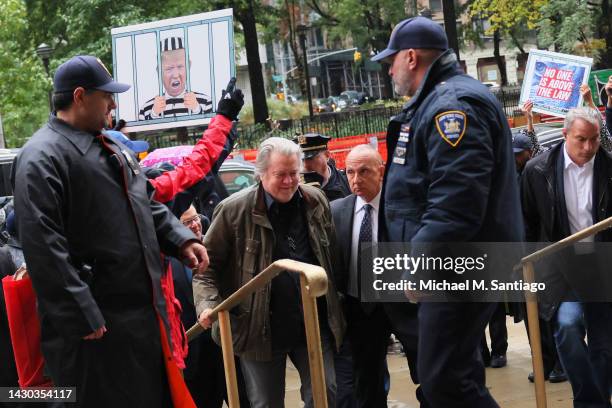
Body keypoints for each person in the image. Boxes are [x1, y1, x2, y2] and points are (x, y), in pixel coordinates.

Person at [11, 55, 209, 407]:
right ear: (80, 96)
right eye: (107, 95)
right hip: (92, 331)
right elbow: (44, 245)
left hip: (139, 323)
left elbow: (145, 203)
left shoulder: (111, 145)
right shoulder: (41, 157)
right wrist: (81, 313)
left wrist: (181, 240)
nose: (113, 104)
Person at [372, 16, 523, 406]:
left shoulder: (450, 107)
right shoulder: (438, 100)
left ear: (410, 57)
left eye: (390, 61)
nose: (389, 69)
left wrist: (421, 263)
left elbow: (456, 203)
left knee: (445, 382)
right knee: (456, 375)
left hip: (459, 264)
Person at [193, 137, 345, 408]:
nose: (288, 181)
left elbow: (331, 256)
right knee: (266, 403)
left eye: (294, 173)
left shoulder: (315, 200)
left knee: (326, 395)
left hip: (312, 321)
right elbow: (206, 268)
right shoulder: (233, 211)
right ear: (261, 174)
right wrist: (208, 305)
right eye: (280, 175)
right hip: (258, 327)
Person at [521, 107, 612, 406]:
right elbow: (529, 225)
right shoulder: (537, 170)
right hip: (561, 268)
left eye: (594, 140)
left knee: (604, 345)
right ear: (565, 135)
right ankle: (592, 401)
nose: (588, 148)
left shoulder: (609, 168)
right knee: (568, 328)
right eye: (581, 139)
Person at [331, 144, 421, 407]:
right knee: (367, 383)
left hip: (407, 305)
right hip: (361, 310)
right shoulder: (336, 211)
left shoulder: (403, 207)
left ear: (381, 172)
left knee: (428, 374)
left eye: (364, 171)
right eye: (349, 172)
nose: (356, 180)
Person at [139, 36, 213, 120]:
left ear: (188, 67)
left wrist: (197, 109)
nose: (175, 75)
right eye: (169, 68)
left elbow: (212, 131)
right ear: (159, 71)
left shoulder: (206, 102)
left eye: (180, 66)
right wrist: (154, 114)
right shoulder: (146, 109)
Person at [294, 133, 351, 201]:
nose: (305, 165)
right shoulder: (294, 186)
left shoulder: (347, 181)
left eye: (311, 158)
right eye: (302, 159)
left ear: (327, 155)